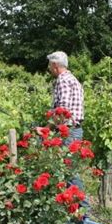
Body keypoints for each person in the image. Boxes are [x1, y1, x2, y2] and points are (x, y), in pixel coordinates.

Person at [46, 51, 87, 205]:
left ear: (55, 65)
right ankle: (74, 208)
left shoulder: (62, 80)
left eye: (50, 65)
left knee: (69, 172)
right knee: (70, 170)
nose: (49, 68)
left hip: (68, 132)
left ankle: (83, 211)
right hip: (75, 130)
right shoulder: (73, 79)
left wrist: (46, 128)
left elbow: (62, 111)